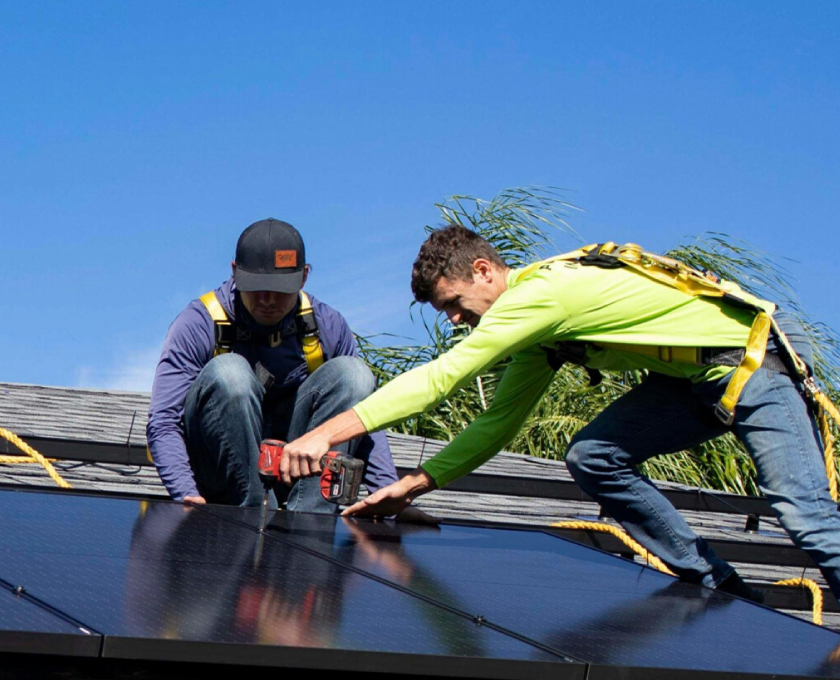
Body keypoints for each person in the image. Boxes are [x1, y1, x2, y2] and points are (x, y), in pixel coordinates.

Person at [279, 224, 840, 601]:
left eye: (453, 303)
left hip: (752, 361)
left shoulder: (540, 297)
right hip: (691, 382)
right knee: (594, 456)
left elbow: (442, 379)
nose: (452, 320)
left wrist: (324, 436)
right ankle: (718, 586)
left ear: (484, 271)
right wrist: (417, 485)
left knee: (805, 513)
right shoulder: (539, 334)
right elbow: (496, 424)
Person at [146, 218, 398, 511]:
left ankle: (311, 518)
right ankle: (250, 512)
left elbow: (361, 419)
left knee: (353, 375)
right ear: (234, 272)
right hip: (218, 479)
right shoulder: (198, 323)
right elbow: (163, 422)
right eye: (256, 288)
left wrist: (390, 494)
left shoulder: (326, 325)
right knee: (230, 373)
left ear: (303, 277)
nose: (267, 300)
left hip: (294, 471)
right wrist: (185, 494)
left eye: (279, 290)